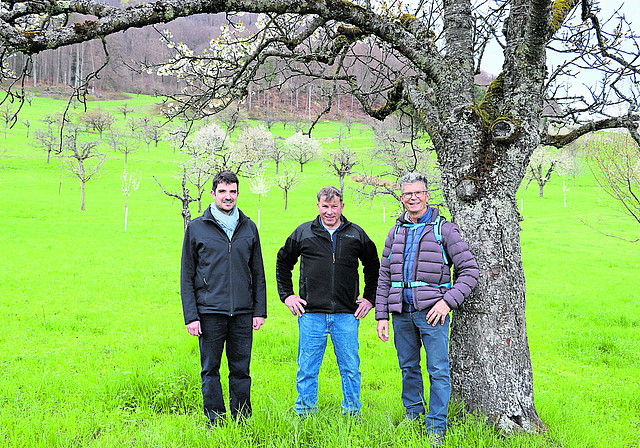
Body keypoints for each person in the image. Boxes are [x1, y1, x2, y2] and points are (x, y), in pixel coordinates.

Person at [375, 172, 478, 444]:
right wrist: (381, 315)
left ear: (427, 195)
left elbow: (469, 271)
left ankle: (436, 427)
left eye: (417, 192)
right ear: (401, 197)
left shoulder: (444, 229)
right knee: (408, 367)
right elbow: (385, 275)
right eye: (407, 193)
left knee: (438, 371)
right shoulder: (395, 231)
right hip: (400, 313)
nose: (412, 198)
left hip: (432, 314)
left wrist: (447, 302)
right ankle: (413, 416)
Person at [276, 186, 380, 416]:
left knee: (350, 368)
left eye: (334, 206)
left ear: (342, 206)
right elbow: (283, 261)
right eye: (325, 206)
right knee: (307, 369)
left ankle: (352, 413)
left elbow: (373, 265)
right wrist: (288, 295)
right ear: (318, 206)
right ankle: (305, 413)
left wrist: (369, 298)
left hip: (347, 314)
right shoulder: (304, 233)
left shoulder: (356, 234)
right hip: (311, 314)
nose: (330, 211)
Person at [180, 171, 267, 428]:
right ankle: (215, 421)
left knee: (241, 370)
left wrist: (259, 310)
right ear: (213, 194)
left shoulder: (249, 227)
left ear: (238, 194)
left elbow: (258, 272)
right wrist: (191, 316)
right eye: (222, 192)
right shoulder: (196, 228)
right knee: (210, 370)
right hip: (209, 312)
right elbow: (186, 275)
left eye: (232, 192)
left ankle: (242, 419)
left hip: (242, 312)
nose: (228, 197)